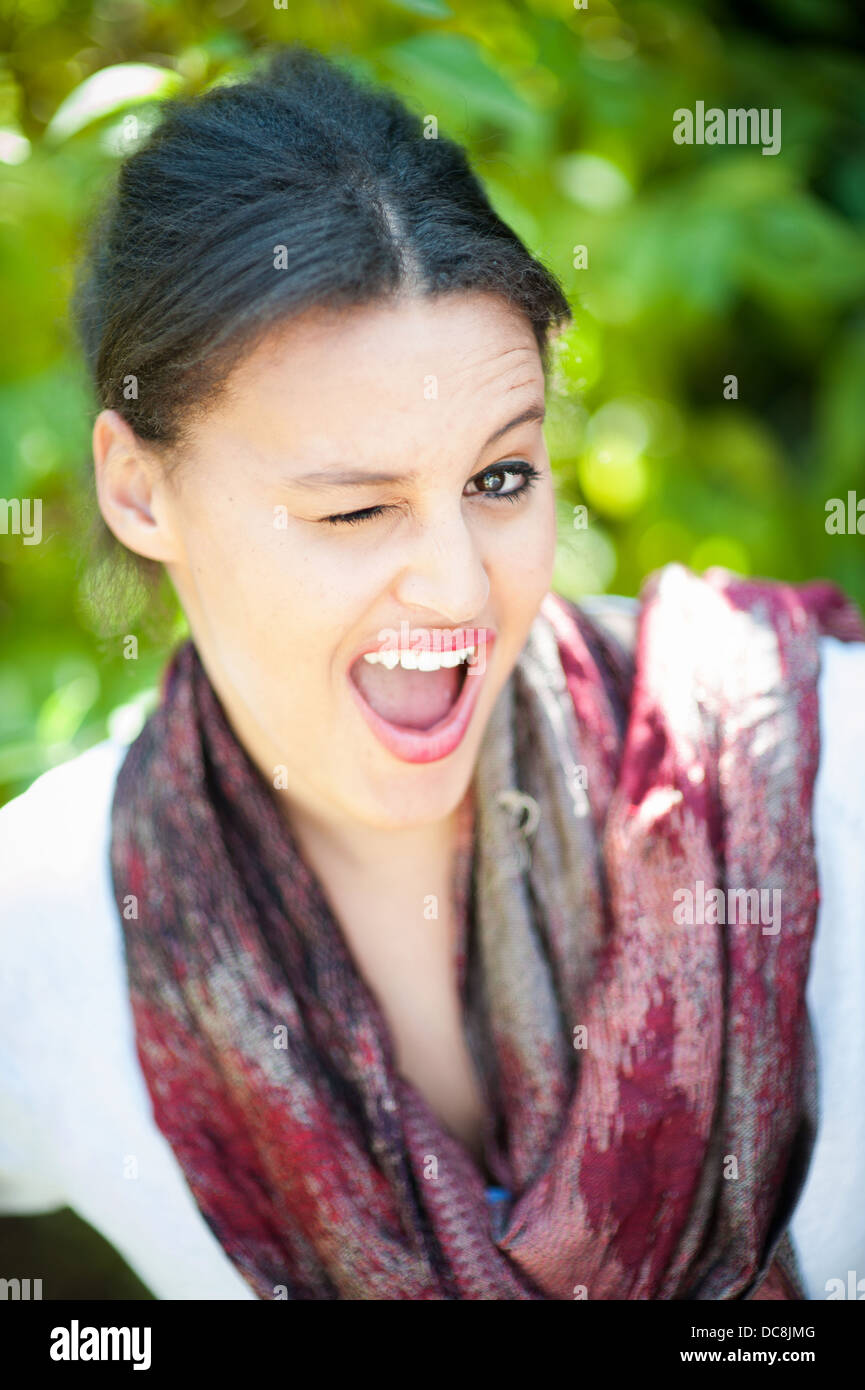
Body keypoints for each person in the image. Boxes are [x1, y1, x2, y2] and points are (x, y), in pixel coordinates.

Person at [1, 44, 863, 1302]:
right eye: (355, 511)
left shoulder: (827, 781)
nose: (460, 590)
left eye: (501, 478)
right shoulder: (46, 934)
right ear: (140, 489)